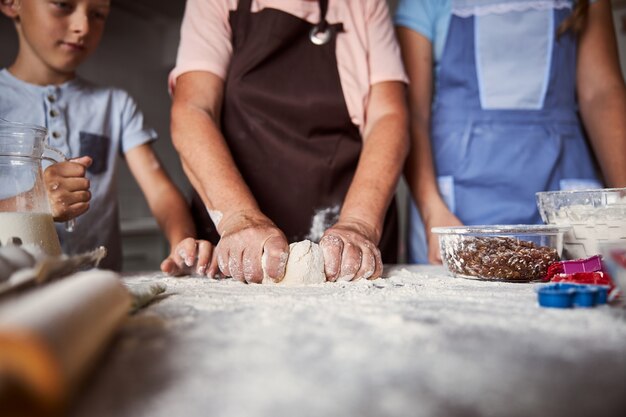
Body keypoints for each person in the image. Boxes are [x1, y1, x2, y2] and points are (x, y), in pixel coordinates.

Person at [170, 0, 409, 284]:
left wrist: (359, 224)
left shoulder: (364, 4)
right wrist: (239, 217)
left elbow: (388, 116)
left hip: (350, 246)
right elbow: (193, 110)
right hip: (240, 248)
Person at [395, 0, 626, 264]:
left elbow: (602, 95)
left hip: (562, 192)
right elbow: (412, 113)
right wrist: (431, 210)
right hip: (453, 204)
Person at [0, 0, 213, 275]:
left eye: (98, 14)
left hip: (102, 289)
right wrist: (34, 202)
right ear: (11, 3)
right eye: (63, 5)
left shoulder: (115, 105)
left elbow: (160, 191)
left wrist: (182, 243)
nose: (83, 27)